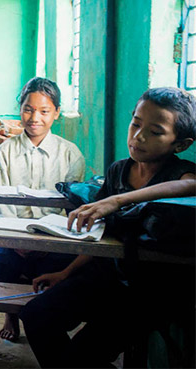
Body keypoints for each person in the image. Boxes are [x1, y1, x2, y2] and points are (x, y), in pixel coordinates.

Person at [19, 87, 196, 368]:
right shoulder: (118, 171)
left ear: (180, 144)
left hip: (149, 294)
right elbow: (102, 235)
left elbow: (191, 184)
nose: (138, 136)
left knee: (80, 356)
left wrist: (118, 200)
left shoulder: (180, 173)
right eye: (136, 123)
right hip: (106, 279)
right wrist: (66, 273)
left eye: (155, 131)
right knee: (35, 315)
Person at [0, 77, 85, 341]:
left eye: (44, 111)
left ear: (56, 113)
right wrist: (18, 240)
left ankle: (44, 316)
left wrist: (46, 240)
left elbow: (70, 205)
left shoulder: (71, 154)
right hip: (13, 233)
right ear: (20, 109)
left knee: (62, 266)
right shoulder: (6, 151)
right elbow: (1, 201)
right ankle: (10, 315)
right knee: (2, 262)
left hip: (53, 236)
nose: (34, 117)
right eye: (28, 109)